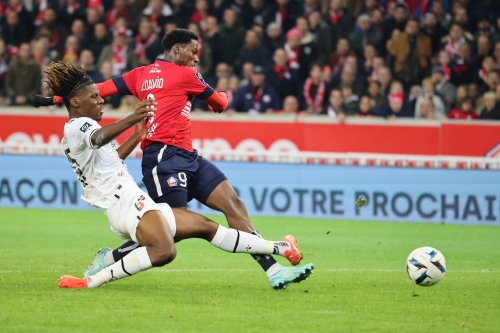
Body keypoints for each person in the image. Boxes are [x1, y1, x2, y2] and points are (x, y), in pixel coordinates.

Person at [48, 29, 312, 290]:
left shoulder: (138, 74)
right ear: (177, 50)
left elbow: (100, 89)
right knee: (170, 230)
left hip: (188, 156)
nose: (197, 57)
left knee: (232, 205)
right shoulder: (187, 74)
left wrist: (56, 99)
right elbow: (219, 104)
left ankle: (274, 270)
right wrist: (226, 96)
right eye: (194, 51)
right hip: (163, 157)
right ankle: (110, 258)